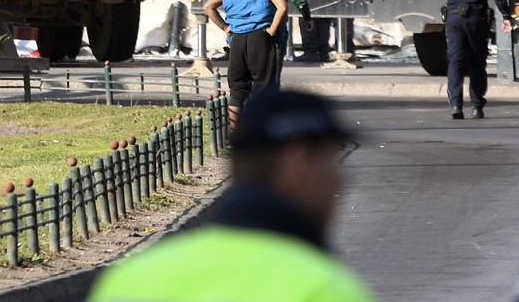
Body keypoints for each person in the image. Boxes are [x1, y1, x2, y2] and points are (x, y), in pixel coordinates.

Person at [88, 89, 375, 302]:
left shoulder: (134, 278)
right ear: (297, 163)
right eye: (330, 159)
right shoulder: (322, 288)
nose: (340, 177)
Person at [431, 0, 515, 120]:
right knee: (477, 62)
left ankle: (456, 106)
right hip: (477, 19)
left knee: (456, 62)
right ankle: (477, 106)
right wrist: (506, 16)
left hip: (454, 19)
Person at [202, 0, 288, 127]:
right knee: (263, 87)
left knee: (238, 89)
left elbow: (208, 6)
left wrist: (225, 27)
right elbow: (282, 7)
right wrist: (272, 30)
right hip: (261, 38)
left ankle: (235, 134)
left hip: (237, 40)